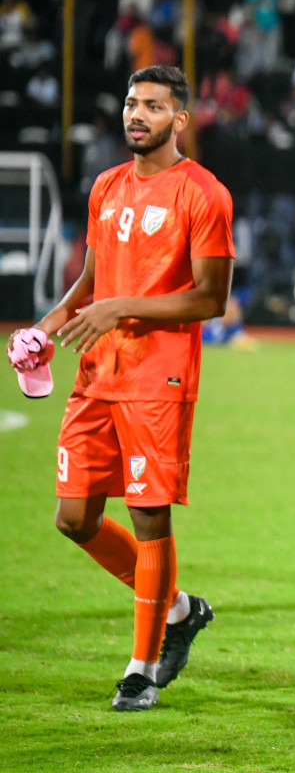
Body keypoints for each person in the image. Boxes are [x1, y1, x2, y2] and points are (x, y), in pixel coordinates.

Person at [7, 65, 231, 711]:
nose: (137, 115)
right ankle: (181, 609)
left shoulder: (204, 194)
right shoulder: (106, 186)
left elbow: (210, 298)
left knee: (147, 515)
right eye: (132, 104)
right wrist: (47, 331)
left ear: (179, 120)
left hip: (158, 377)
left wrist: (121, 307)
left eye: (153, 107)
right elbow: (91, 285)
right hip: (95, 374)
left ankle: (140, 666)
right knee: (74, 518)